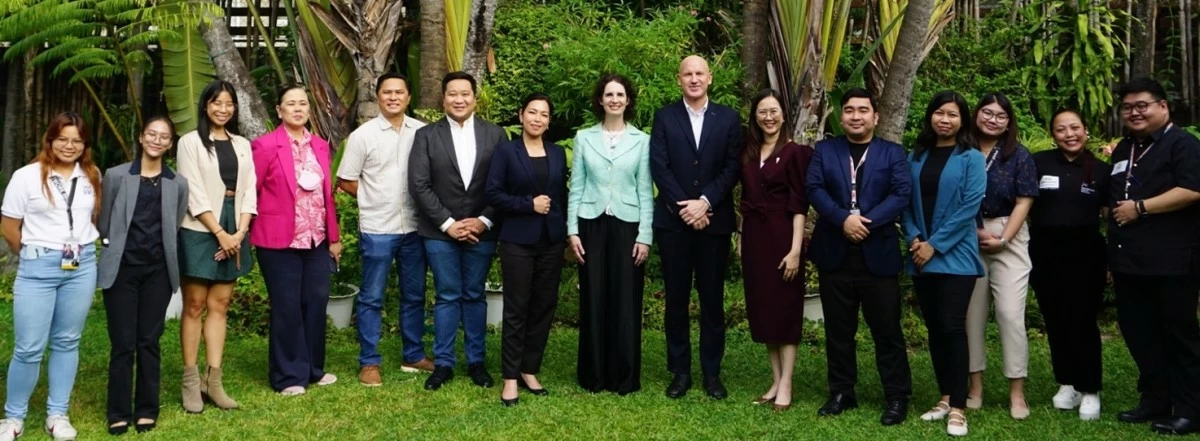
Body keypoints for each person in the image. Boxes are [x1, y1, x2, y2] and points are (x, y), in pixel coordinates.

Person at [806, 87, 913, 425]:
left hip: (877, 254)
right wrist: (843, 219)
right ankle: (841, 391)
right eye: (849, 110)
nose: (855, 116)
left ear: (875, 117)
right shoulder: (825, 150)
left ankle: (896, 396)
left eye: (863, 110)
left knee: (887, 331)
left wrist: (864, 222)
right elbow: (814, 189)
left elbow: (901, 193)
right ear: (842, 116)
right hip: (835, 253)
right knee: (839, 330)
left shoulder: (892, 153)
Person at [0, 112, 103, 441]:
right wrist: (34, 254)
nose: (69, 146)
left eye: (77, 140)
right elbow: (9, 227)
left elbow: (93, 216)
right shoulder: (26, 176)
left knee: (67, 341)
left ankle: (57, 414)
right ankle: (13, 417)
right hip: (37, 266)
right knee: (29, 347)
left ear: (84, 144)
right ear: (50, 140)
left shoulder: (91, 175)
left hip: (81, 265)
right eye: (63, 139)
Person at [1107, 78, 1200, 436]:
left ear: (1163, 106)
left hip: (1173, 260)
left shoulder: (1183, 144)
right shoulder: (1125, 148)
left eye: (1142, 105)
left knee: (1179, 334)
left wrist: (1141, 208)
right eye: (1128, 107)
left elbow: (1192, 189)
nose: (1134, 112)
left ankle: (1190, 408)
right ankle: (1155, 399)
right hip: (1129, 261)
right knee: (1140, 333)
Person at [650, 55, 742, 400]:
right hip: (674, 224)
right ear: (679, 80)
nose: (693, 78)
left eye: (699, 73)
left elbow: (732, 166)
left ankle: (712, 373)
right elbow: (660, 166)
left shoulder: (729, 118)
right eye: (687, 74)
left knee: (712, 301)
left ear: (710, 78)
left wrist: (705, 202)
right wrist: (685, 208)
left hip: (713, 223)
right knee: (676, 300)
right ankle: (680, 372)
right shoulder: (665, 117)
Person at [409, 71, 507, 391]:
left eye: (465, 93)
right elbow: (419, 185)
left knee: (475, 295)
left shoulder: (496, 135)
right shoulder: (426, 136)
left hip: (483, 230)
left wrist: (484, 220)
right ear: (443, 99)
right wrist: (449, 225)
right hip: (440, 233)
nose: (459, 99)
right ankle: (445, 363)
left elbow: (505, 184)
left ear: (475, 98)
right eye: (452, 94)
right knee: (448, 295)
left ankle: (477, 362)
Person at [337, 73, 433, 387]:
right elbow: (347, 180)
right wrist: (373, 199)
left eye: (399, 92)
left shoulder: (423, 132)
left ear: (409, 97)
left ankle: (414, 354)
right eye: (387, 92)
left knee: (414, 295)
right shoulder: (363, 136)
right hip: (378, 228)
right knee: (372, 297)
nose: (393, 97)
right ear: (378, 97)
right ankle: (369, 362)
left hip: (416, 229)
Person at [900, 91, 985, 437]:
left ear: (962, 120)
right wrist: (914, 238)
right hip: (921, 254)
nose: (945, 120)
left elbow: (970, 206)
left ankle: (960, 408)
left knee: (951, 327)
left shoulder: (971, 157)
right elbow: (904, 202)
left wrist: (935, 244)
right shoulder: (915, 156)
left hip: (956, 256)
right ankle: (946, 397)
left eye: (952, 114)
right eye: (939, 113)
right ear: (930, 117)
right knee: (936, 329)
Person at [97, 116, 189, 435]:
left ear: (170, 144)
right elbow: (104, 222)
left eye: (163, 136)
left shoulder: (176, 183)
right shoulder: (116, 176)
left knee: (149, 340)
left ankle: (147, 408)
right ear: (141, 137)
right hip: (122, 270)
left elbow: (174, 224)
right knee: (123, 343)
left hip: (158, 272)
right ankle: (118, 410)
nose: (156, 140)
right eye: (151, 134)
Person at [250, 85, 341, 396]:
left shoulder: (320, 145)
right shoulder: (264, 146)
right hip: (278, 240)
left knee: (315, 301)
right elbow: (253, 192)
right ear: (279, 110)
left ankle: (313, 369)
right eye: (291, 104)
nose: (298, 108)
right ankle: (288, 376)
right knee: (287, 306)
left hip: (316, 238)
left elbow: (327, 195)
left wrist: (334, 236)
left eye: (303, 103)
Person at [568, 74, 654, 396]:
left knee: (626, 300)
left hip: (627, 224)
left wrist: (644, 234)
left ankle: (625, 377)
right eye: (609, 94)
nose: (615, 99)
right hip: (590, 222)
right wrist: (572, 231)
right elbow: (575, 185)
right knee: (593, 297)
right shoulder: (583, 138)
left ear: (628, 100)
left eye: (620, 94)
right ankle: (593, 375)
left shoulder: (642, 140)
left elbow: (645, 190)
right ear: (600, 100)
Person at [175, 80, 256, 412]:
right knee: (195, 304)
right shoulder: (189, 142)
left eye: (229, 104)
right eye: (216, 103)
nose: (223, 109)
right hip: (200, 226)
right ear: (205, 105)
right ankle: (191, 381)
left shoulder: (242, 144)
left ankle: (214, 381)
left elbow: (250, 189)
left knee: (220, 304)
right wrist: (219, 233)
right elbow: (191, 190)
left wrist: (239, 232)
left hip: (236, 222)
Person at [486, 93, 569, 406]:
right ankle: (510, 378)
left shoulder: (557, 153)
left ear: (549, 121)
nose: (537, 118)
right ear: (521, 115)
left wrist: (564, 236)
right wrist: (527, 205)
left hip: (551, 241)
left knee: (543, 306)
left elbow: (559, 197)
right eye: (532, 112)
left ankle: (529, 369)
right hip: (517, 240)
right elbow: (493, 194)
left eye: (544, 114)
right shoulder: (506, 151)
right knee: (517, 308)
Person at [1029, 109, 1110, 421]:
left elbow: (1109, 216)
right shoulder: (1039, 163)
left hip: (1086, 254)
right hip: (1045, 253)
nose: (1069, 134)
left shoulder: (1102, 170)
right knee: (1056, 320)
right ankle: (1067, 383)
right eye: (1061, 129)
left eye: (1075, 127)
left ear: (1085, 131)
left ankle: (1090, 389)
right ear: (1053, 134)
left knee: (1083, 320)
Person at [736, 89, 811, 413]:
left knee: (785, 309)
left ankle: (787, 383)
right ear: (755, 117)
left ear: (784, 114)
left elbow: (799, 206)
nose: (768, 117)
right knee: (763, 309)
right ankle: (775, 378)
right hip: (755, 236)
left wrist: (796, 250)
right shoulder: (749, 152)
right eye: (762, 112)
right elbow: (744, 197)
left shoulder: (796, 152)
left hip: (783, 235)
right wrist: (741, 235)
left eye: (774, 111)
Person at [965, 93, 1037, 419]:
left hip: (1009, 232)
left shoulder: (1018, 155)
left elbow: (1025, 201)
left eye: (1001, 116)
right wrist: (975, 231)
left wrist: (1004, 239)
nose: (993, 119)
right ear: (976, 114)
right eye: (987, 112)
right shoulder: (960, 149)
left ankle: (1017, 392)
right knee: (972, 315)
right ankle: (975, 387)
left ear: (1009, 122)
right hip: (966, 233)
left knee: (1009, 313)